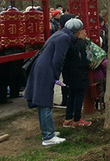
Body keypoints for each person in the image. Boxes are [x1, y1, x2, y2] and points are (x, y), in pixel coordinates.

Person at [25, 18, 83, 146]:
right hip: (46, 69)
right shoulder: (65, 38)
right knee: (45, 102)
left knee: (42, 102)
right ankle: (48, 137)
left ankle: (47, 130)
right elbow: (58, 59)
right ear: (76, 31)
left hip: (41, 67)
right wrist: (56, 77)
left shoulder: (59, 33)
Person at [62, 28, 92, 128]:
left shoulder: (66, 38)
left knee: (72, 95)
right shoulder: (72, 41)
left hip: (71, 74)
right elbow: (75, 52)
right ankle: (76, 120)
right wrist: (81, 40)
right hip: (77, 73)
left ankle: (68, 118)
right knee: (79, 95)